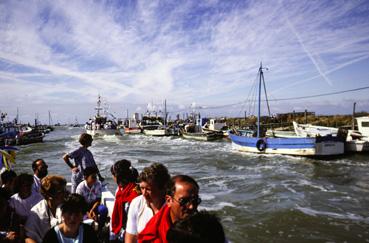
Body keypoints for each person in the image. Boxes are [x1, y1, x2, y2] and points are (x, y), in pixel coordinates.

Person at [137, 175, 201, 243]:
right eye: (184, 201)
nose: (191, 206)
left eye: (195, 200)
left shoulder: (204, 228)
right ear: (169, 200)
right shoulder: (153, 234)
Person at [125, 163, 171, 243]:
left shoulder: (172, 207)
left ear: (162, 188)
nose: (144, 193)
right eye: (142, 188)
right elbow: (131, 236)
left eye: (148, 189)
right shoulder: (137, 203)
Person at [25, 175, 67, 243]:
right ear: (48, 195)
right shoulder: (35, 212)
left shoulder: (69, 208)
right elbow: (28, 237)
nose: (65, 194)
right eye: (60, 191)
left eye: (64, 190)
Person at [110, 159, 140, 241]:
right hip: (123, 231)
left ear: (118, 176)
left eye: (113, 175)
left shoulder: (134, 195)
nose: (113, 177)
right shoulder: (121, 189)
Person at [75, 166, 108, 231]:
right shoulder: (80, 188)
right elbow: (80, 204)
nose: (95, 179)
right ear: (85, 177)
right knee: (87, 219)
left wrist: (92, 210)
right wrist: (88, 213)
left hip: (94, 206)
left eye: (96, 177)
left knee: (103, 209)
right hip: (83, 208)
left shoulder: (98, 184)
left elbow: (98, 199)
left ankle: (100, 229)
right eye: (93, 177)